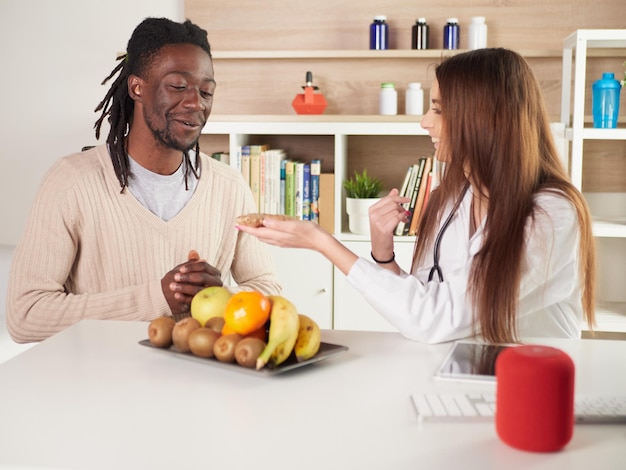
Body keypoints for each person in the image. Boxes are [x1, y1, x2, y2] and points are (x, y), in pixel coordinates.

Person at [237, 48, 596, 344]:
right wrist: (382, 251)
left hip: (536, 391)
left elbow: (436, 319)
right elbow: (423, 298)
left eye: (438, 109)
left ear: (485, 118)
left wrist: (321, 241)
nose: (425, 121)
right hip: (461, 378)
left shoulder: (551, 216)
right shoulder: (454, 197)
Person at [7, 18, 281, 343]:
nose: (196, 103)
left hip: (203, 386)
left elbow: (267, 290)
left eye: (206, 91)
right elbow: (25, 316)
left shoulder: (229, 187)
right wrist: (159, 297)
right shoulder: (71, 182)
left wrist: (222, 295)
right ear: (137, 87)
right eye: (178, 86)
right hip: (98, 389)